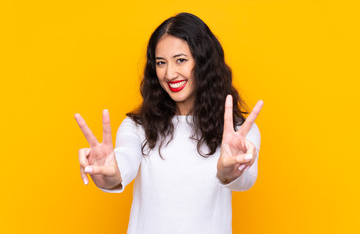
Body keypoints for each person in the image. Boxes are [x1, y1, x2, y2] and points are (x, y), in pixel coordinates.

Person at [75, 12, 263, 234]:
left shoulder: (238, 131)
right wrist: (107, 173)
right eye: (161, 63)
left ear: (203, 62)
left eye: (181, 60)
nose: (170, 73)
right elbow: (122, 164)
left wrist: (230, 171)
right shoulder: (137, 126)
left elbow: (245, 181)